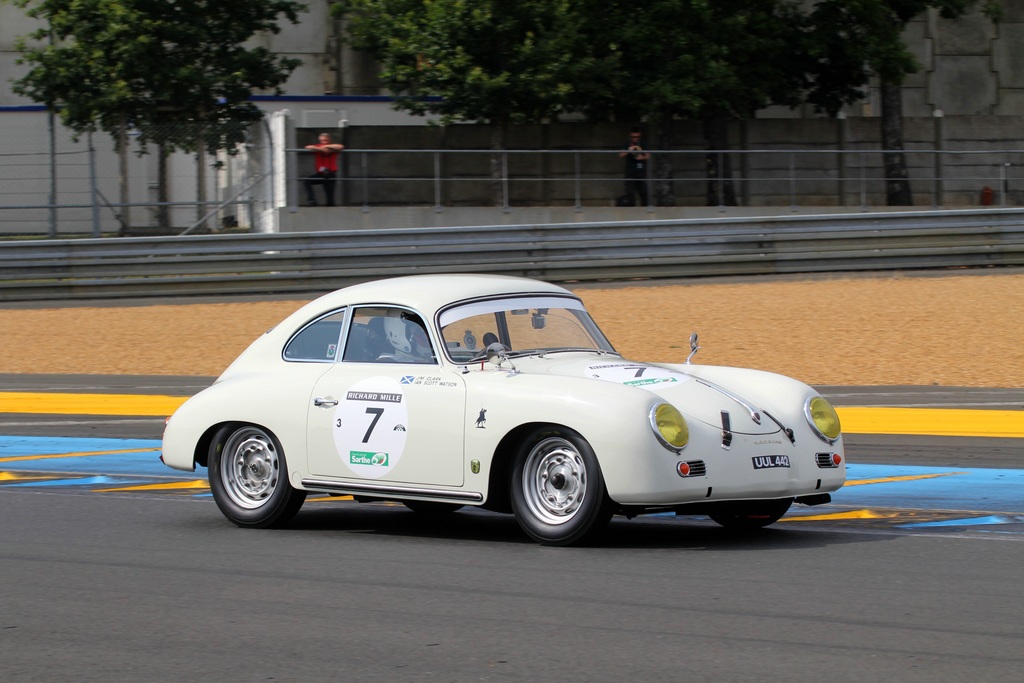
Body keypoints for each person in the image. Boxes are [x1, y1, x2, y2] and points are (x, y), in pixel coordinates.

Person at [303, 132, 345, 206]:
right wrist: (321, 149)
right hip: (320, 174)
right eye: (322, 141)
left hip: (330, 174)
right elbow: (307, 147)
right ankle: (312, 201)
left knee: (330, 198)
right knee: (306, 181)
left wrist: (327, 147)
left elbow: (340, 146)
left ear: (329, 140)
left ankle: (330, 206)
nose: (324, 142)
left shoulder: (332, 147)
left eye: (326, 141)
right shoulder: (318, 147)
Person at [618, 127, 650, 206]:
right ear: (630, 136)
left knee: (644, 191)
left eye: (637, 137)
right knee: (630, 192)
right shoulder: (627, 144)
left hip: (641, 171)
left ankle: (644, 207)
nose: (635, 139)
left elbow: (648, 155)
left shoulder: (642, 143)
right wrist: (629, 150)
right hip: (630, 171)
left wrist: (642, 157)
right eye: (633, 137)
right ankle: (632, 208)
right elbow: (620, 155)